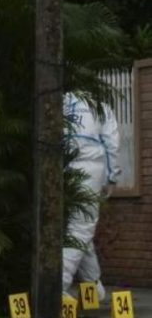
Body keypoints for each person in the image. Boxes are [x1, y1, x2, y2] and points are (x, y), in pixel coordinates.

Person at [61, 92, 121, 302]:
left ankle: (93, 287)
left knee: (79, 228)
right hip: (90, 167)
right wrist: (112, 177)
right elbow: (111, 143)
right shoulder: (100, 106)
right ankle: (58, 285)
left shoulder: (58, 101)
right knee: (81, 228)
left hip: (62, 167)